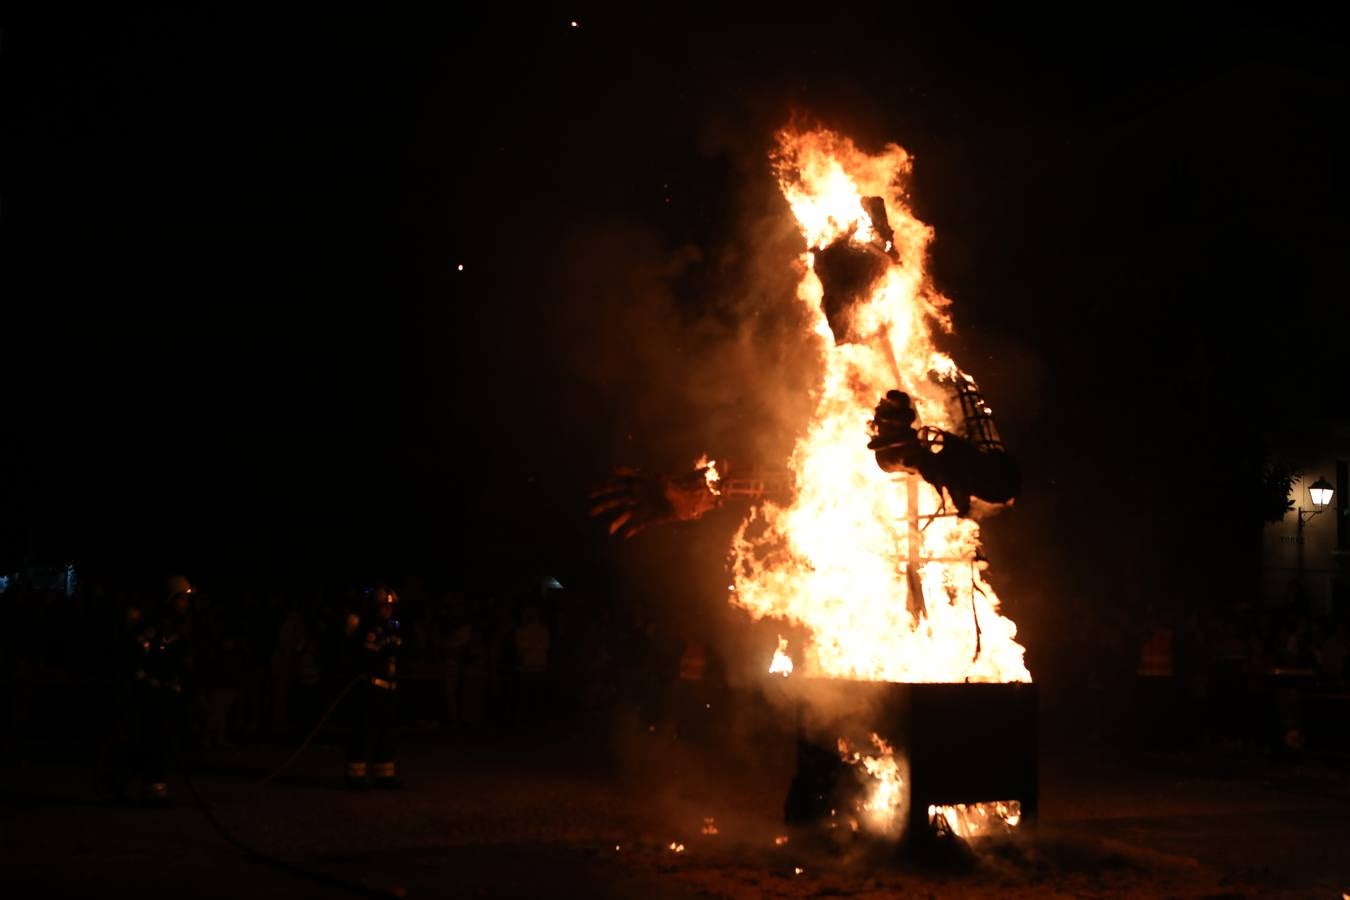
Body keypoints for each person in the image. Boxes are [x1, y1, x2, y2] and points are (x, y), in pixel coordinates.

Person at [345, 585, 402, 789]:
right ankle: (355, 776)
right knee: (363, 730)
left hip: (389, 688)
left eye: (390, 607)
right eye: (383, 607)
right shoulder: (368, 629)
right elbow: (366, 657)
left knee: (386, 732)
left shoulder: (392, 629)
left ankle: (385, 775)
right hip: (370, 689)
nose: (387, 610)